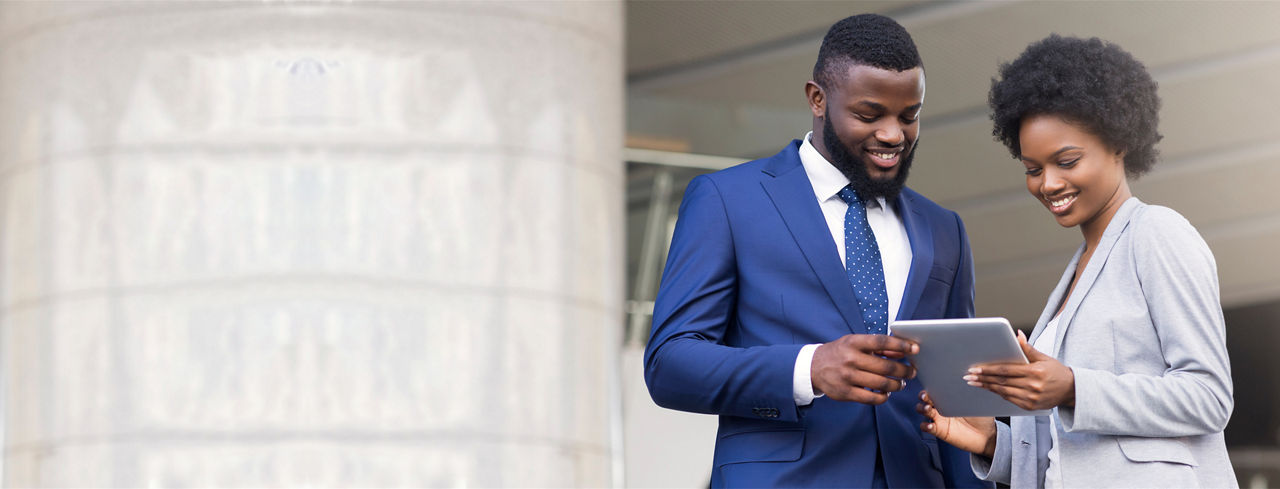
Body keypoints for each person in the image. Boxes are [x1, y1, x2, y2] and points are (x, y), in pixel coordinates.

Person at [644, 14, 991, 488]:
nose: (893, 134)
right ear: (818, 99)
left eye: (909, 116)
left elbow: (957, 394)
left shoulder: (944, 228)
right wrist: (808, 367)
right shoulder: (727, 201)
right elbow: (670, 364)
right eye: (869, 115)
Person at [917, 35, 1237, 488]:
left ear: (1119, 144)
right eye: (1033, 169)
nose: (1048, 183)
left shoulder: (1156, 233)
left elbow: (1209, 397)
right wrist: (991, 443)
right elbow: (1072, 457)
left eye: (1066, 161)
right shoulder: (1075, 274)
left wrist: (1072, 387)